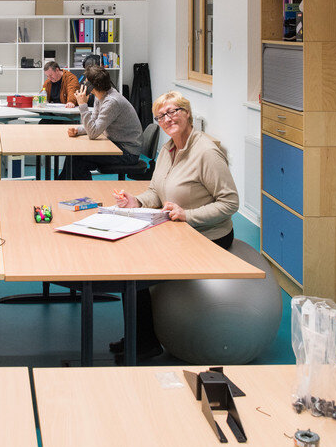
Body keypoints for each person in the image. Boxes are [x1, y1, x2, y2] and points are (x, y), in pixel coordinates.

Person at [111, 91, 240, 360]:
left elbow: (229, 203)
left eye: (174, 111)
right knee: (126, 257)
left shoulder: (206, 152)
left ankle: (144, 343)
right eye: (161, 116)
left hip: (208, 235)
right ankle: (137, 335)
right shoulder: (167, 149)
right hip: (177, 229)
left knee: (136, 269)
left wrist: (187, 215)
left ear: (187, 113)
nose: (168, 119)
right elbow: (156, 192)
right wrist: (136, 201)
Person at [58, 67, 143, 180]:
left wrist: (82, 105)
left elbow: (93, 133)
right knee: (77, 159)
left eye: (86, 82)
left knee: (78, 157)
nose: (84, 84)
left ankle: (65, 185)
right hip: (116, 145)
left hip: (128, 153)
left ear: (91, 86)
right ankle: (65, 185)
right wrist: (78, 130)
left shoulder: (111, 102)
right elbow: (93, 124)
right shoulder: (101, 96)